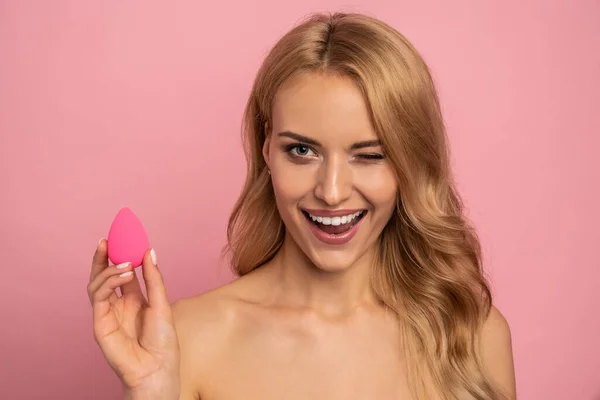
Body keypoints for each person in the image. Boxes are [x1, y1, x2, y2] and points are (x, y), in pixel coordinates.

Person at [87, 11, 516, 400]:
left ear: (411, 163)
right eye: (302, 151)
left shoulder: (474, 337)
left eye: (369, 155)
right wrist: (150, 391)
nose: (331, 191)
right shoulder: (190, 338)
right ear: (267, 148)